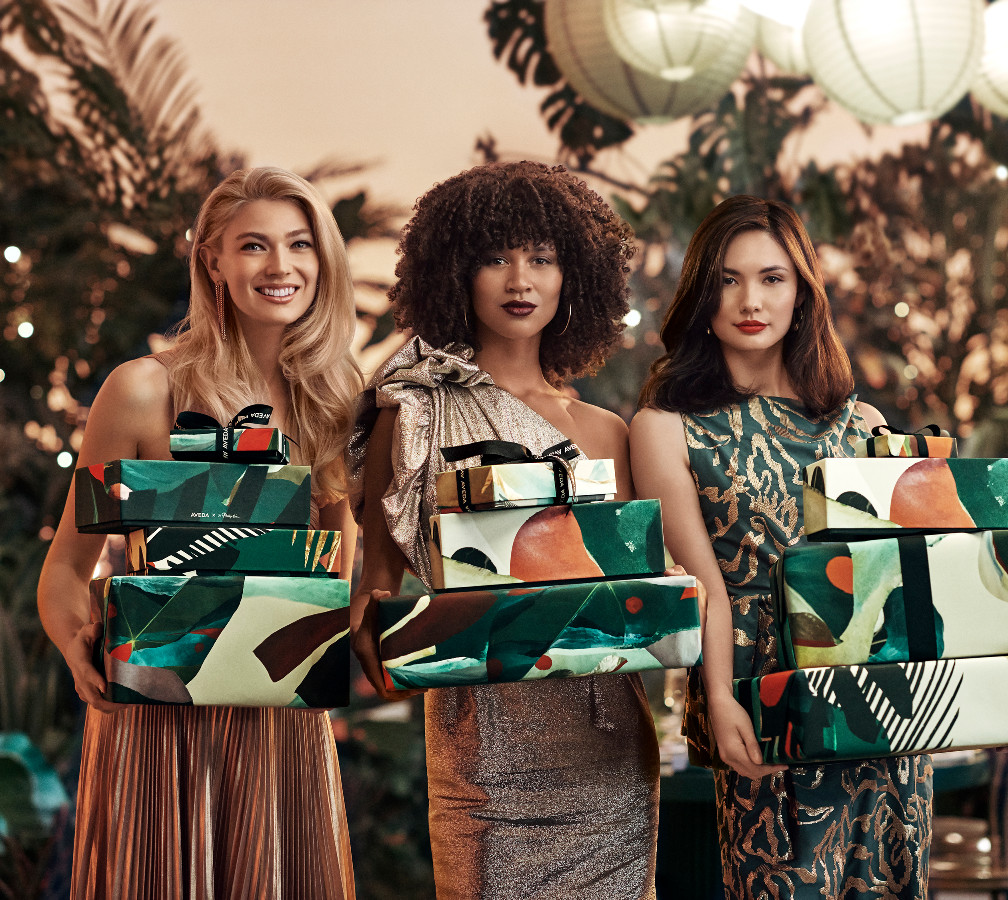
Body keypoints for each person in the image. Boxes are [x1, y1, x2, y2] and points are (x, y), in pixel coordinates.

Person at [347, 160, 683, 899]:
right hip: (482, 742)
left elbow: (635, 594)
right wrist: (425, 655)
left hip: (606, 746)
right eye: (495, 258)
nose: (519, 280)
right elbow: (374, 591)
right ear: (455, 275)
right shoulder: (413, 411)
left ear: (574, 278)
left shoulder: (606, 431)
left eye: (542, 258)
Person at [37, 167, 361, 900]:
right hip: (155, 719)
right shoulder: (144, 389)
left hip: (282, 724)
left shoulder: (339, 401)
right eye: (254, 245)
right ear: (211, 260)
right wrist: (76, 651)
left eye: (299, 245)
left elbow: (338, 569)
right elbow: (64, 568)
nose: (281, 267)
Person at [630, 195, 933, 898]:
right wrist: (720, 699)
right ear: (703, 292)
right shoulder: (666, 426)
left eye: (772, 278)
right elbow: (701, 582)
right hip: (763, 705)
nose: (750, 300)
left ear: (801, 290)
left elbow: (886, 578)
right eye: (728, 279)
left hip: (877, 707)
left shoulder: (861, 422)